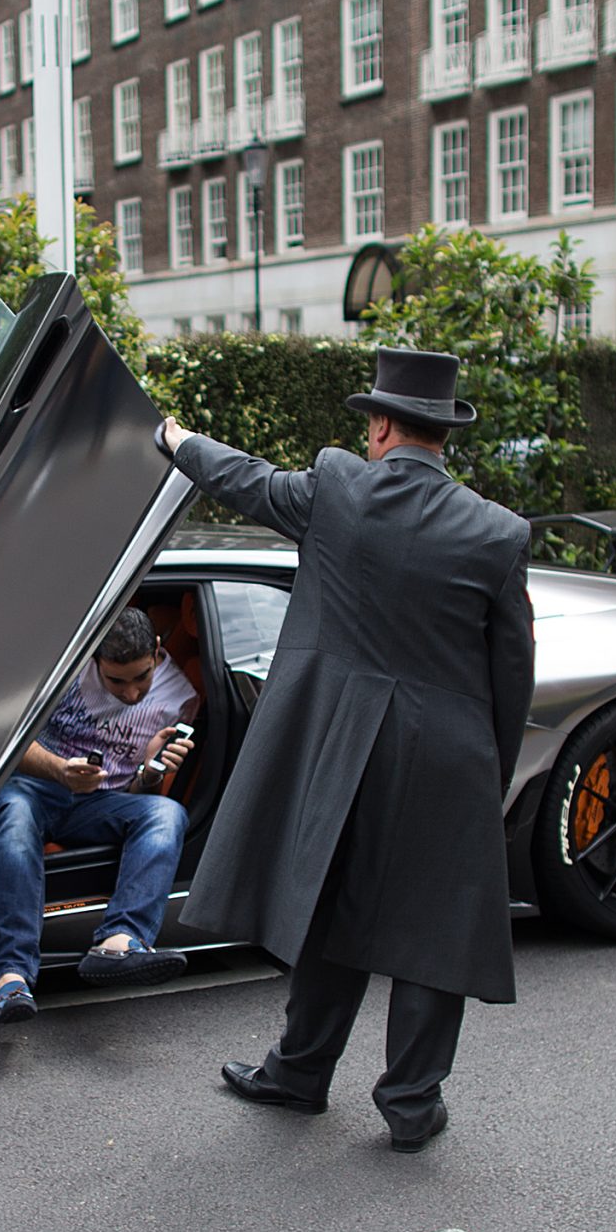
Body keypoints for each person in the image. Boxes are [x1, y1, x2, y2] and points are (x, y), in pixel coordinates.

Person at [157, 347, 535, 1153]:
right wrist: (489, 777)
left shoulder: (337, 486)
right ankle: (409, 1103)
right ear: (444, 436)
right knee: (431, 931)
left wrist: (174, 435)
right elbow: (513, 671)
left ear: (384, 425)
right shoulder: (499, 533)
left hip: (345, 746)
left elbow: (243, 479)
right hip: (450, 753)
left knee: (331, 904)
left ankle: (300, 1071)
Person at [0, 607, 200, 1022]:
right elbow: (4, 742)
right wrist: (60, 770)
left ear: (156, 650)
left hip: (99, 804)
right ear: (95, 658)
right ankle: (12, 977)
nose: (132, 693)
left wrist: (150, 771)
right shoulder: (62, 668)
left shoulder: (180, 697)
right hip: (31, 788)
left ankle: (120, 942)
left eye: (142, 677)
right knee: (16, 816)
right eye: (117, 680)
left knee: (166, 813)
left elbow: (136, 790)